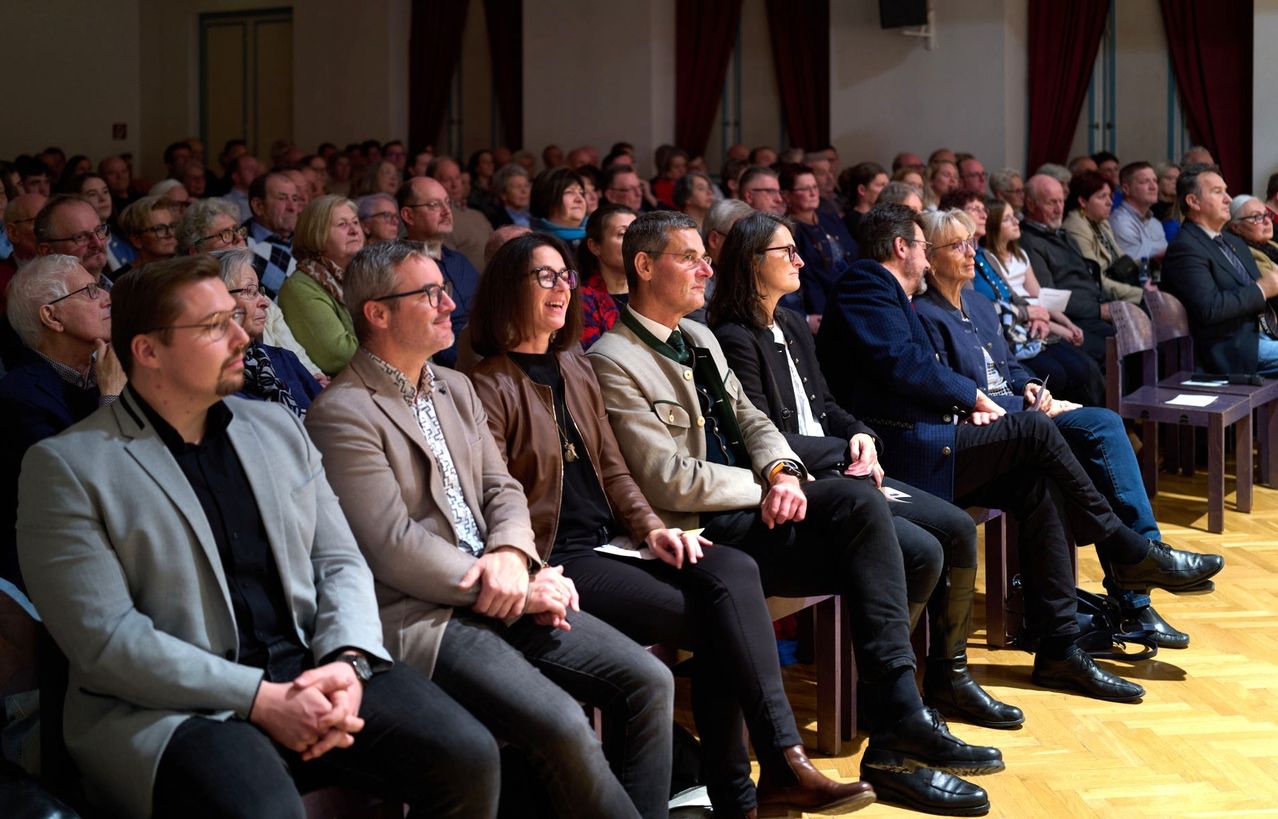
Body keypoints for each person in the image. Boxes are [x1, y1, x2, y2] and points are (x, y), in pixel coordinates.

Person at [16, 254, 500, 819]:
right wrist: (261, 699)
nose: (243, 334)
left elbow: (340, 562)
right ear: (148, 351)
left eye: (234, 316)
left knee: (468, 755)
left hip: (313, 662)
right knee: (264, 809)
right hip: (177, 705)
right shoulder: (67, 466)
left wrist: (346, 661)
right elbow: (108, 642)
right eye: (213, 326)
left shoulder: (275, 426)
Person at [589, 211, 1004, 816]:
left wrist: (783, 471)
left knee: (920, 549)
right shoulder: (614, 359)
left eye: (706, 256)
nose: (706, 266)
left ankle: (890, 739)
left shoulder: (698, 337)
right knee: (857, 499)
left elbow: (755, 422)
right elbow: (669, 481)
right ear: (645, 267)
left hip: (760, 512)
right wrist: (770, 489)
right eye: (689, 257)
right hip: (703, 528)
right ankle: (901, 716)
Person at [466, 232, 875, 817]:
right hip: (560, 556)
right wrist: (534, 564)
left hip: (615, 542)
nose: (561, 289)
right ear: (509, 290)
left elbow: (612, 469)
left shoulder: (574, 366)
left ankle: (768, 773)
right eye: (545, 277)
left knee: (734, 568)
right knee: (725, 617)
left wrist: (652, 528)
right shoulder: (486, 384)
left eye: (566, 277)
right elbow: (496, 498)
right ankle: (756, 784)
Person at [304, 240, 673, 818]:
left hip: (504, 584)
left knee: (649, 681)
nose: (450, 302)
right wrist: (512, 588)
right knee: (562, 722)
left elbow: (503, 490)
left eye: (444, 290)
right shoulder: (343, 411)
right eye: (429, 294)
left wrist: (513, 556)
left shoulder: (453, 385)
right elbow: (393, 546)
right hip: (428, 613)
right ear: (377, 313)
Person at [815, 205, 1223, 694]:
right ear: (903, 247)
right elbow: (901, 363)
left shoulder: (911, 298)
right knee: (1034, 432)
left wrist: (996, 396)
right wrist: (975, 398)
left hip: (933, 437)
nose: (926, 261)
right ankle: (1128, 549)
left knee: (1039, 483)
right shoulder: (868, 282)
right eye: (926, 248)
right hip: (902, 452)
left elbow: (952, 366)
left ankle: (1058, 649)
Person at [707, 212, 1025, 730]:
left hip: (843, 464)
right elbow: (761, 434)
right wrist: (842, 451)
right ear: (751, 263)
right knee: (924, 550)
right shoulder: (733, 336)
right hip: (808, 478)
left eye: (795, 249)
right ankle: (880, 687)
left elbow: (827, 402)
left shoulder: (789, 321)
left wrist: (860, 435)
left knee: (959, 528)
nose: (800, 260)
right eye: (786, 252)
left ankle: (948, 675)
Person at [914, 209, 1193, 648]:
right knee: (1101, 426)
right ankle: (1138, 575)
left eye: (971, 242)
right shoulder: (924, 315)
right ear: (927, 258)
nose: (971, 252)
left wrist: (1030, 387)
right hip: (986, 433)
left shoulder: (981, 306)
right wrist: (1025, 404)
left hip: (1021, 416)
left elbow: (1010, 368)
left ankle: (1133, 589)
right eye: (957, 245)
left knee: (1097, 434)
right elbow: (958, 393)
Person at [0, 255, 125, 589]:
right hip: (64, 566)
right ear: (52, 317)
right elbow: (80, 488)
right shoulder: (20, 396)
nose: (107, 297)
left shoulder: (113, 370)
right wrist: (111, 399)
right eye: (89, 291)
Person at [979, 199, 1102, 406]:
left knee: (1085, 367)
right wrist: (1059, 329)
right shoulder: (990, 258)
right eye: (1007, 219)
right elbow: (1017, 306)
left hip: (1039, 317)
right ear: (993, 226)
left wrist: (1068, 324)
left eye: (1014, 216)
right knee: (1062, 372)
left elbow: (1040, 296)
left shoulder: (1020, 254)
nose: (1016, 222)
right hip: (1021, 323)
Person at [1161, 164, 1278, 377]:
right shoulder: (1185, 248)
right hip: (1230, 350)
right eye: (1217, 192)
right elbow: (1210, 308)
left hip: (1261, 335)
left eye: (1225, 191)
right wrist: (1261, 289)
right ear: (1193, 201)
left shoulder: (1233, 242)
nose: (1228, 199)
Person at [1017, 175, 1114, 365]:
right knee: (1118, 346)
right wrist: (1096, 310)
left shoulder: (1063, 234)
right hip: (1072, 319)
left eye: (1061, 201)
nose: (1058, 209)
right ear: (1030, 204)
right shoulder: (1028, 241)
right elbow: (1048, 296)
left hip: (1093, 310)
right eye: (1051, 203)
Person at [216, 247, 321, 416]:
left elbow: (329, 419)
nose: (265, 302)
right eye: (250, 291)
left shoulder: (284, 359)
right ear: (217, 301)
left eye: (259, 291)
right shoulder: (212, 380)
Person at [397, 176, 480, 367]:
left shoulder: (460, 261)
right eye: (434, 205)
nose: (446, 211)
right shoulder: (400, 268)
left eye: (447, 203)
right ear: (409, 215)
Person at [277, 195, 364, 376]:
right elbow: (340, 356)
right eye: (342, 224)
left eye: (355, 222)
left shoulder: (367, 275)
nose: (354, 230)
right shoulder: (299, 288)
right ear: (316, 233)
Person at [782, 164, 857, 333]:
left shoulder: (830, 219)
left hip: (851, 298)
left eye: (815, 187)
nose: (813, 193)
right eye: (805, 189)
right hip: (821, 308)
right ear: (787, 196)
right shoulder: (788, 230)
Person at [1062, 171, 1146, 305]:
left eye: (1110, 196)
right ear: (1083, 201)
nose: (1110, 202)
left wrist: (1147, 266)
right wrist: (1142, 294)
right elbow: (1096, 280)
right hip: (1101, 299)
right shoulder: (1075, 228)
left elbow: (1120, 259)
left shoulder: (1101, 221)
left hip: (1119, 288)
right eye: (1102, 197)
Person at [577, 204, 637, 350]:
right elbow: (594, 359)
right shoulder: (583, 298)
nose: (635, 242)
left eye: (638, 234)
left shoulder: (654, 289)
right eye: (622, 234)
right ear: (595, 246)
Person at [430, 157, 491, 271]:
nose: (455, 184)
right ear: (433, 182)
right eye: (447, 179)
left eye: (457, 178)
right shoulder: (437, 218)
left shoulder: (478, 215)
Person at [245, 172, 301, 298]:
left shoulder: (305, 239)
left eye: (295, 199)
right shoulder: (241, 245)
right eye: (282, 198)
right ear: (258, 206)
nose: (292, 207)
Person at [1108, 162, 1168, 266]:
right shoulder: (1119, 222)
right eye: (1145, 182)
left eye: (1155, 181)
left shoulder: (1155, 223)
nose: (1153, 187)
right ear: (1126, 189)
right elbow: (1135, 262)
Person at [116, 196, 179, 271]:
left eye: (172, 226)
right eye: (159, 229)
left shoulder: (186, 269)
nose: (170, 234)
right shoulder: (120, 280)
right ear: (136, 240)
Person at [530, 167, 589, 244]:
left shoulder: (597, 237)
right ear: (547, 198)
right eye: (569, 192)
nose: (579, 199)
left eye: (581, 193)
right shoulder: (533, 244)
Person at [1227, 195, 1278, 276]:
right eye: (1257, 217)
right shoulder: (1248, 255)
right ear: (1236, 227)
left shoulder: (1272, 245)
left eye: (1266, 214)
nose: (1267, 221)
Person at [841, 161, 889, 241]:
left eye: (887, 185)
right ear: (862, 190)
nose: (887, 190)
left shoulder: (883, 217)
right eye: (881, 185)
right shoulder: (852, 222)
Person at [488, 163, 532, 228]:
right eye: (517, 187)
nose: (524, 191)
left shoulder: (537, 215)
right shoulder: (496, 222)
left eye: (526, 186)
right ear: (503, 194)